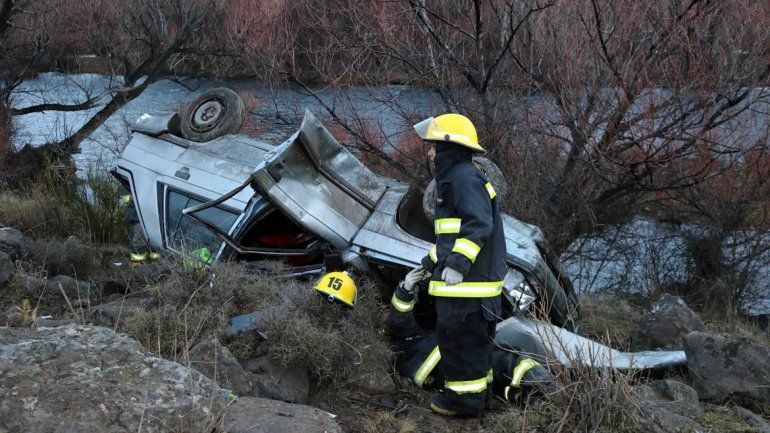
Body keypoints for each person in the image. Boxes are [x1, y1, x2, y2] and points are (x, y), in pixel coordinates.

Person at [411, 113, 508, 416]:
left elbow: (478, 224)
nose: (429, 152)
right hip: (469, 289)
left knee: (460, 345)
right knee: (474, 348)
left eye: (433, 146)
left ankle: (462, 403)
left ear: (448, 146)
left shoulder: (463, 177)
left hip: (468, 290)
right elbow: (451, 236)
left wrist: (457, 265)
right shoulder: (457, 177)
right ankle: (480, 397)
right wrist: (430, 263)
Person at [387, 268, 554, 408]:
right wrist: (405, 289)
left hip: (446, 366)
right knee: (504, 360)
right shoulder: (404, 340)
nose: (386, 315)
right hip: (443, 360)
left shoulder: (411, 340)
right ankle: (547, 385)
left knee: (498, 374)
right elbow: (398, 319)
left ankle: (532, 396)